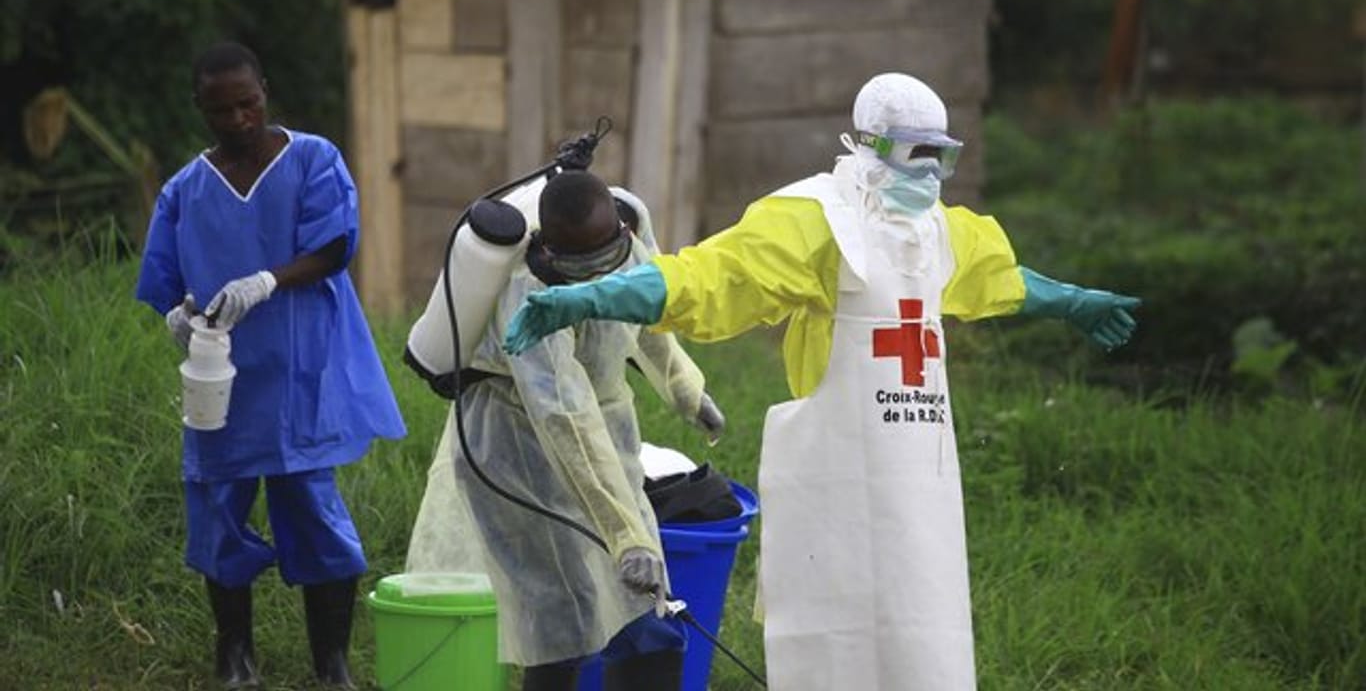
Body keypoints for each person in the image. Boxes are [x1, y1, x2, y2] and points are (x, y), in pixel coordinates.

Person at [503, 73, 1141, 690]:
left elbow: (999, 280)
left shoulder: (941, 231)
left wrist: (1071, 300)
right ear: (871, 144)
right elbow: (708, 276)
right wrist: (591, 299)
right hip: (837, 484)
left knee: (927, 624)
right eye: (916, 154)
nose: (928, 174)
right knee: (841, 634)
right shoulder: (816, 219)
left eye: (940, 157)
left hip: (921, 488)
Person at [135, 41, 406, 689]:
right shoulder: (186, 189)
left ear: (265, 89)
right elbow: (166, 276)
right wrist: (178, 312)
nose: (238, 120)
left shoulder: (312, 160)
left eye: (248, 103)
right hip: (220, 379)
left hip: (298, 368)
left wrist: (267, 280)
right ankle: (235, 657)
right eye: (222, 109)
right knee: (217, 511)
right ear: (199, 107)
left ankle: (331, 662)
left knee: (313, 508)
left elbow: (335, 245)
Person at [403, 170, 725, 691]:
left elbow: (643, 308)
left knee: (647, 608)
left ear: (621, 229)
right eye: (583, 268)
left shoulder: (627, 230)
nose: (599, 276)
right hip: (518, 451)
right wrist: (625, 538)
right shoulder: (528, 297)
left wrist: (686, 390)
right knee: (561, 617)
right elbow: (564, 417)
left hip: (606, 432)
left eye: (609, 258)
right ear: (550, 254)